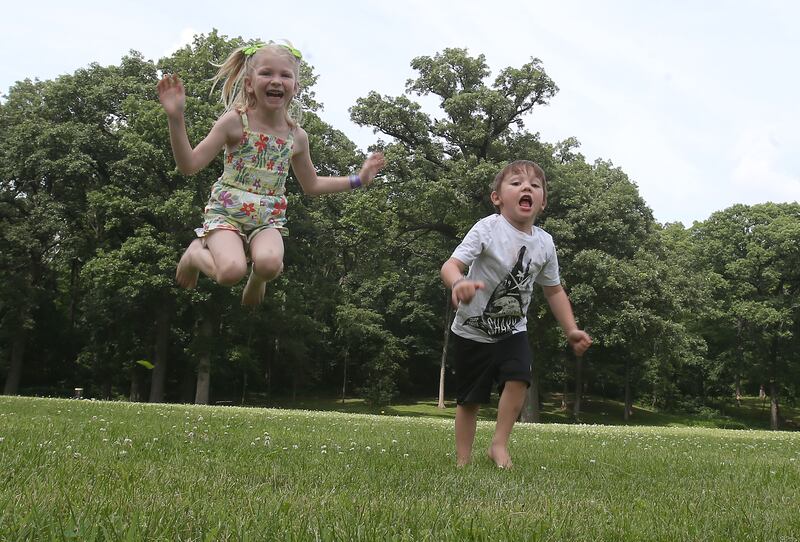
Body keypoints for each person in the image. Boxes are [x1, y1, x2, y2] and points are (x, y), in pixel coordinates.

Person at [157, 40, 385, 305]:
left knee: (269, 264)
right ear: (249, 83)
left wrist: (359, 179)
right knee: (230, 273)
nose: (276, 80)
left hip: (267, 217)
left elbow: (311, 185)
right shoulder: (234, 122)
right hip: (227, 213)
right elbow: (189, 166)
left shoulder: (296, 137)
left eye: (285, 75)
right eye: (267, 73)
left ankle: (258, 278)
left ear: (295, 88)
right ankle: (195, 254)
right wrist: (176, 118)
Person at [440, 160, 592, 468]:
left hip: (513, 330)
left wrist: (571, 329)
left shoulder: (545, 243)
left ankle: (498, 445)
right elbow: (451, 265)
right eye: (516, 183)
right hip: (472, 329)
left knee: (520, 377)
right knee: (469, 399)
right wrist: (459, 283)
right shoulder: (487, 228)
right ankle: (462, 460)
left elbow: (554, 290)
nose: (527, 188)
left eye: (535, 186)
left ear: (542, 202)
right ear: (497, 197)